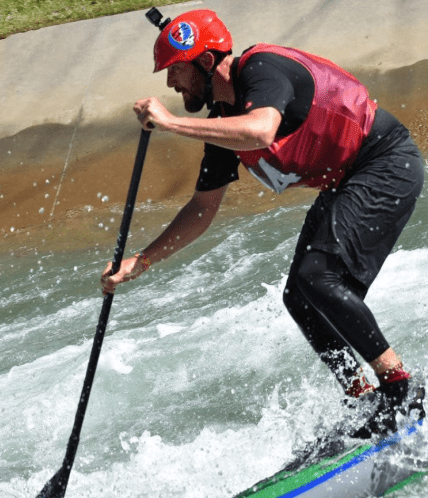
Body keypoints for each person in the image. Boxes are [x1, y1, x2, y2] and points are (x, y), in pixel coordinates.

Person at [100, 8, 425, 437]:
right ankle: (362, 395)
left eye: (174, 70)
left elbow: (261, 131)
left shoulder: (262, 70)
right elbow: (202, 209)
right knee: (300, 295)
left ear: (203, 62)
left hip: (385, 163)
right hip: (346, 181)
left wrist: (172, 123)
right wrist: (140, 261)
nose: (170, 84)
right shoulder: (222, 124)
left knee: (318, 278)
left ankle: (403, 391)